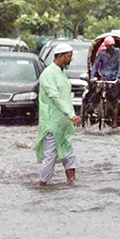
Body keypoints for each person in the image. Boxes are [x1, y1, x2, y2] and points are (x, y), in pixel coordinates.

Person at [34, 43, 83, 186]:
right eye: (69, 56)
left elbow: (65, 97)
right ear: (60, 56)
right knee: (51, 155)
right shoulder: (48, 74)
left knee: (68, 152)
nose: (71, 59)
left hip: (63, 122)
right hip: (52, 122)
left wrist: (71, 116)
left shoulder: (61, 73)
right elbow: (55, 97)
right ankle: (42, 185)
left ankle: (71, 183)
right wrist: (71, 114)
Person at [89, 35, 120, 127]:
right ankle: (93, 110)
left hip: (113, 78)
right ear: (106, 46)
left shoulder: (118, 53)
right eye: (109, 46)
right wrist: (92, 77)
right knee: (96, 93)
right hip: (104, 77)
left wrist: (118, 77)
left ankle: (115, 120)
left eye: (112, 45)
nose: (111, 48)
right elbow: (95, 65)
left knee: (114, 99)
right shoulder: (102, 53)